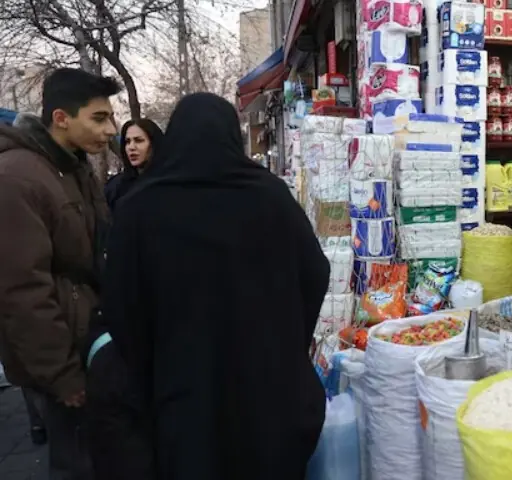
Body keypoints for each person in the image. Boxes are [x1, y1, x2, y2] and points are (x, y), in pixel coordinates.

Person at [95, 92, 330, 479]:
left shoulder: (140, 208)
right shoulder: (269, 197)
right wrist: (286, 338)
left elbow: (122, 307)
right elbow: (315, 274)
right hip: (268, 392)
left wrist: (153, 364)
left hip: (184, 395)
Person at [0, 67, 120, 479]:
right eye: (99, 118)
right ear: (61, 118)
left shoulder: (73, 167)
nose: (111, 130)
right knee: (76, 462)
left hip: (88, 342)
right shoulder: (16, 177)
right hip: (61, 361)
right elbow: (20, 291)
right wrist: (62, 376)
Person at [104, 119, 164, 212]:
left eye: (139, 140)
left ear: (154, 144)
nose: (131, 147)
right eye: (127, 142)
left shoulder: (169, 185)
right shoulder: (115, 187)